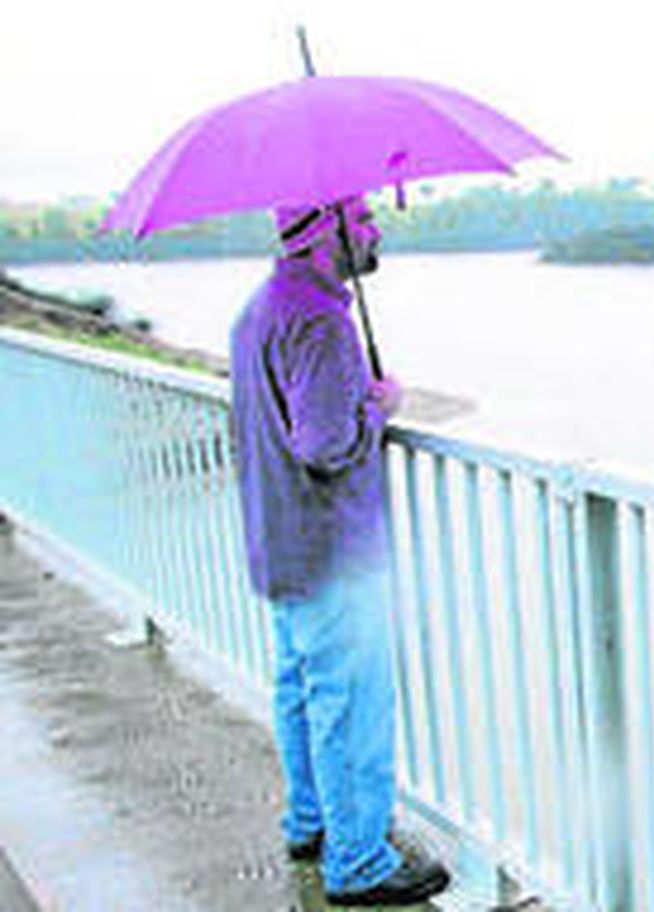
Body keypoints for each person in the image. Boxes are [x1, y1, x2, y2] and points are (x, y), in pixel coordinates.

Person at [229, 196, 450, 906]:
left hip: (281, 541)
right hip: (333, 551)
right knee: (352, 704)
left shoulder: (259, 308)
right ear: (331, 230)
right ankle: (359, 864)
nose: (376, 228)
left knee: (301, 691)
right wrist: (377, 408)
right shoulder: (320, 322)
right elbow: (323, 445)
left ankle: (312, 823)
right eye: (364, 216)